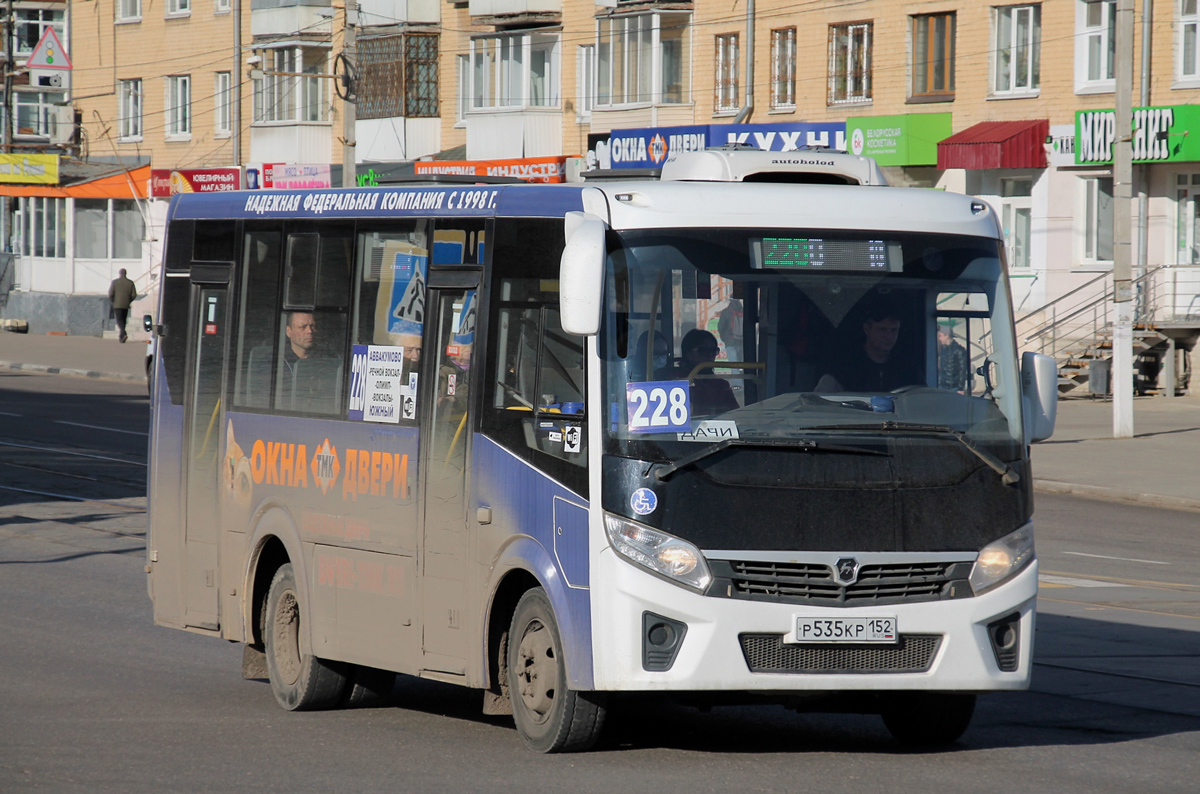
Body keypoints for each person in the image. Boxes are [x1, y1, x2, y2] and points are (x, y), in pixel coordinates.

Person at [816, 299, 919, 392]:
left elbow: (924, 398)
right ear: (867, 329)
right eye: (882, 329)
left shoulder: (908, 368)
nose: (889, 336)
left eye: (894, 330)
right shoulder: (843, 367)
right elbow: (819, 403)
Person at [671, 329, 739, 414]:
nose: (710, 355)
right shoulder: (676, 382)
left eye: (713, 350)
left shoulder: (721, 385)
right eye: (703, 351)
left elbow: (735, 416)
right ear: (688, 354)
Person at [107, 268, 137, 343]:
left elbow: (110, 294)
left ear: (119, 273)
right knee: (123, 319)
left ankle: (123, 333)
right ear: (126, 273)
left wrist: (113, 301)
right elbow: (134, 294)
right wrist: (129, 300)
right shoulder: (130, 283)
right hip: (126, 304)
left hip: (117, 305)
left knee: (119, 320)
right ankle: (121, 337)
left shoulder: (115, 282)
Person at [938, 325, 970, 393]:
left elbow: (962, 370)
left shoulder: (959, 350)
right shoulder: (943, 350)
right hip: (942, 386)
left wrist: (960, 388)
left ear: (947, 336)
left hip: (954, 387)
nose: (939, 339)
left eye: (940, 336)